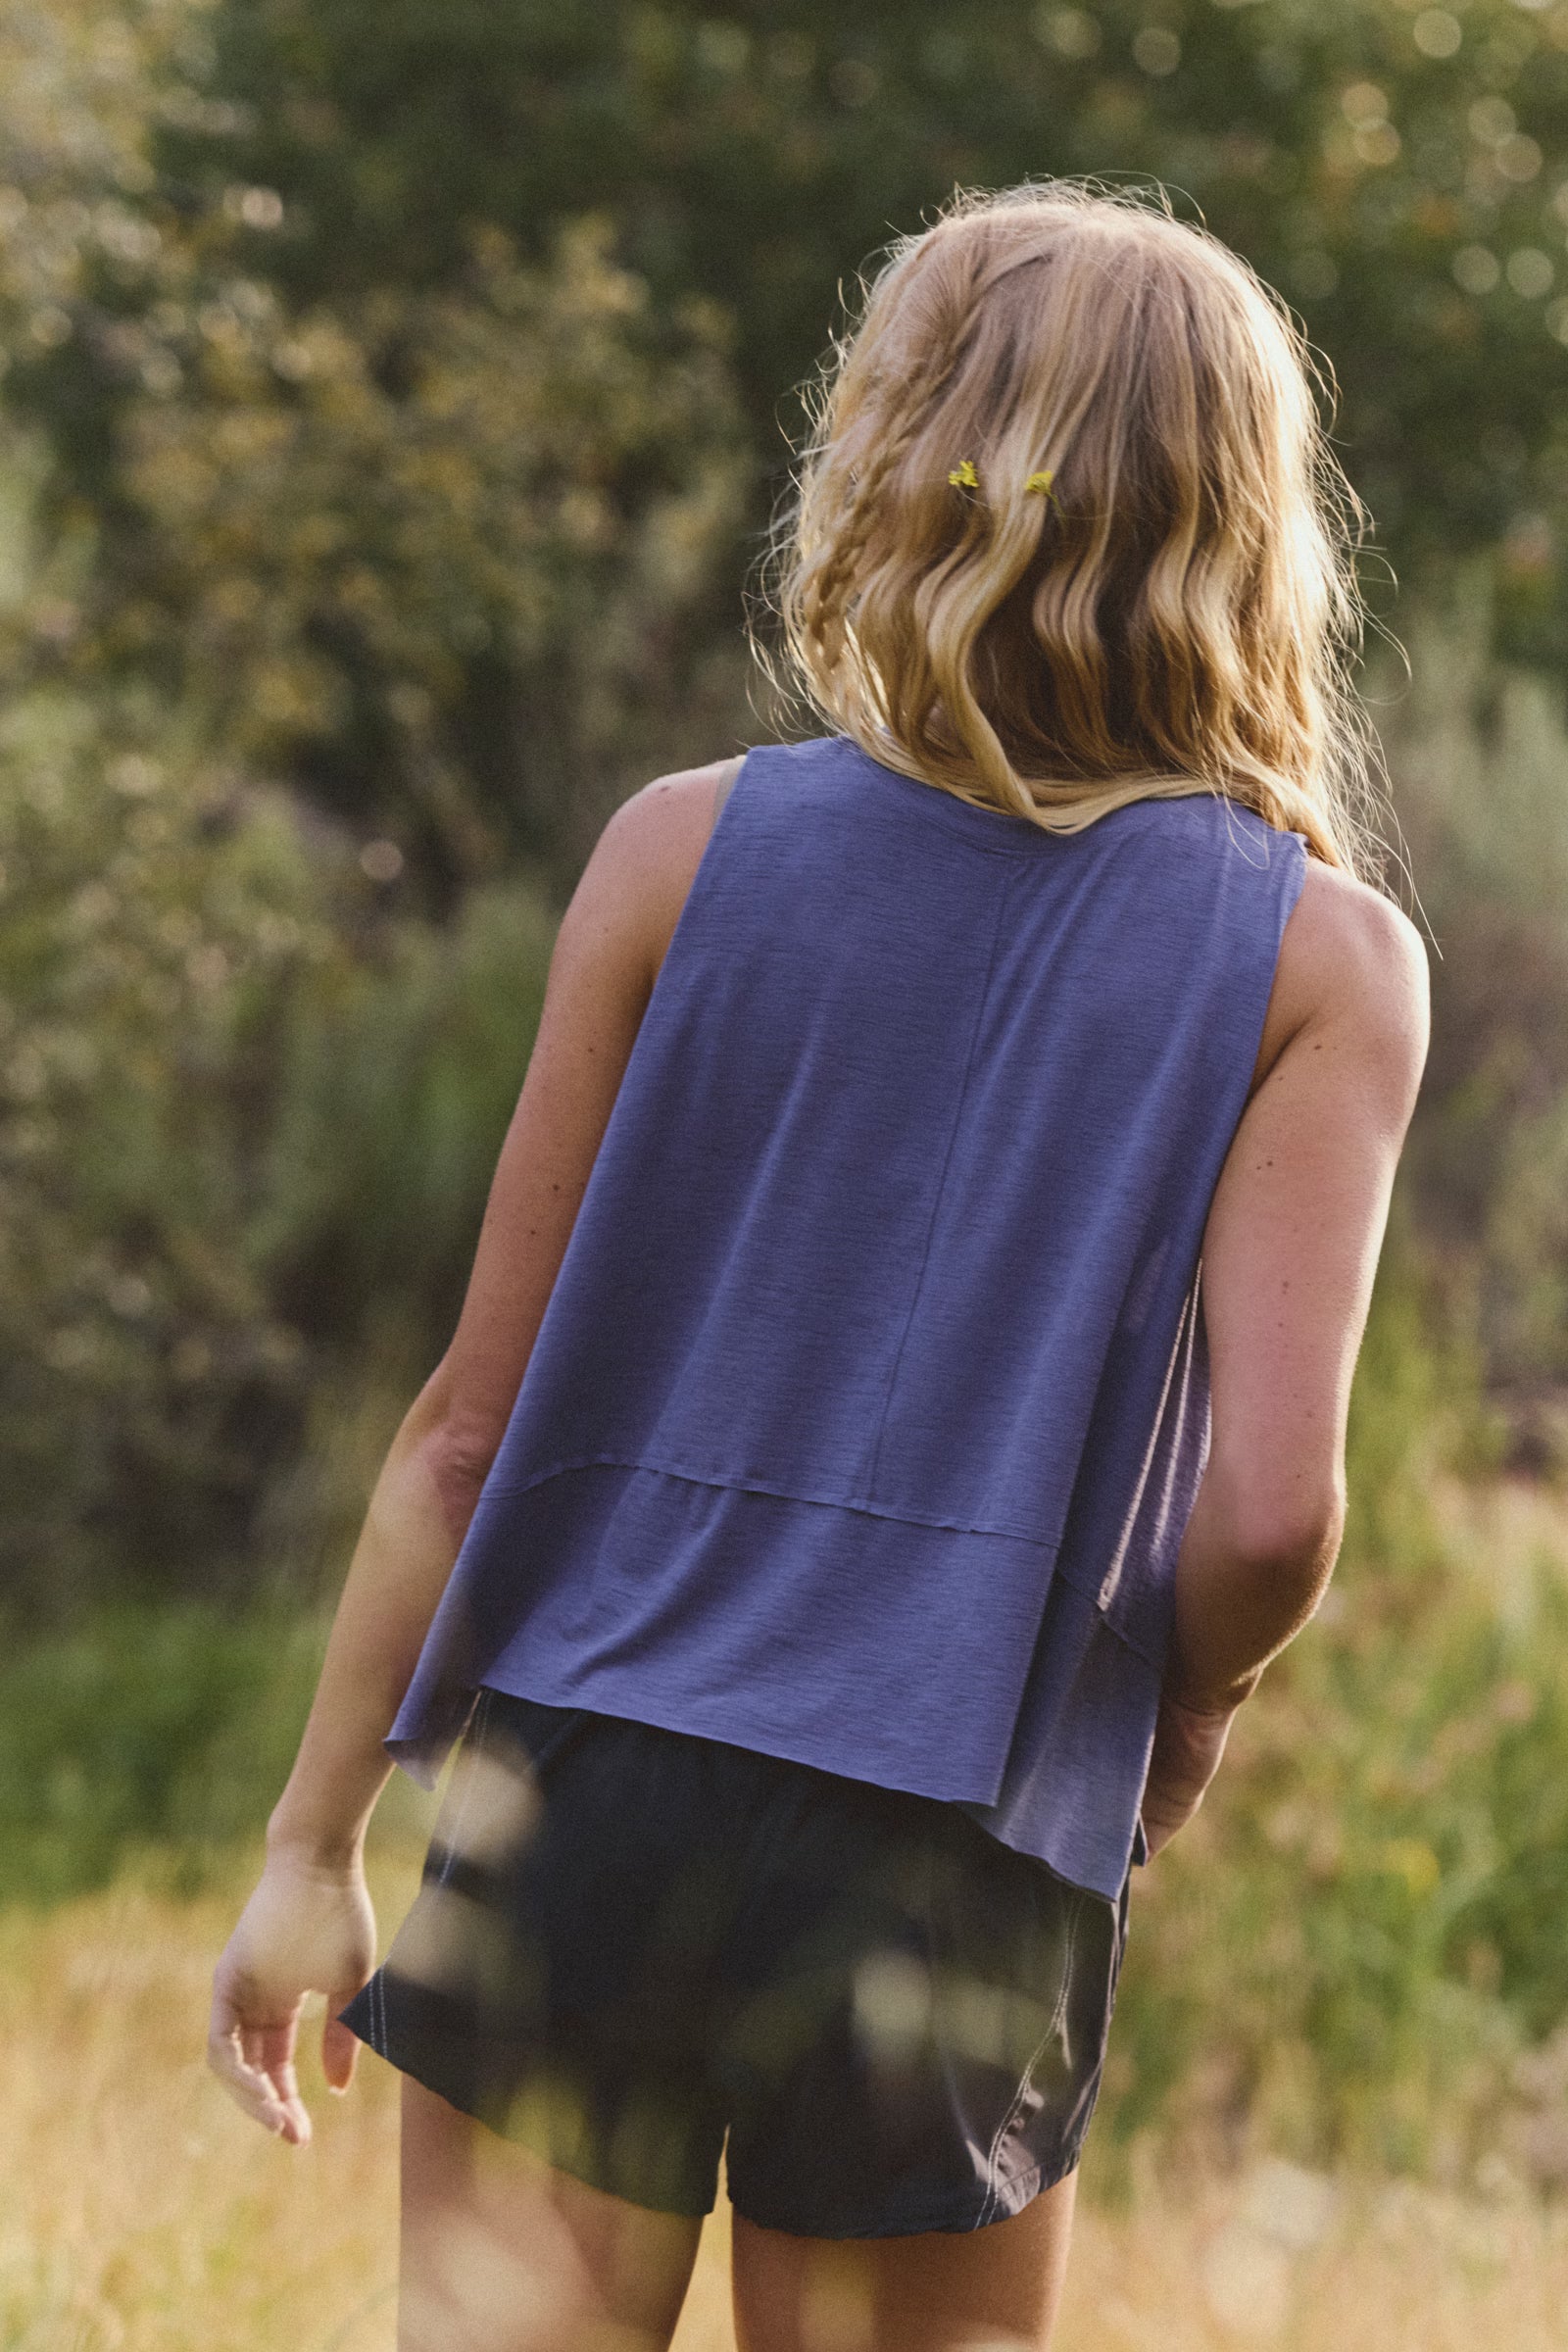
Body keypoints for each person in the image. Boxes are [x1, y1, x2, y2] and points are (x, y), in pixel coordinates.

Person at [208, 182, 1429, 2352]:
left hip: (584, 1781)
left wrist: (314, 1845)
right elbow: (1267, 1514)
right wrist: (1185, 1715)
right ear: (1246, 523)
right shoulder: (1313, 961)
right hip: (953, 1847)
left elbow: (469, 1425)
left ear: (890, 459)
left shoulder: (683, 848)